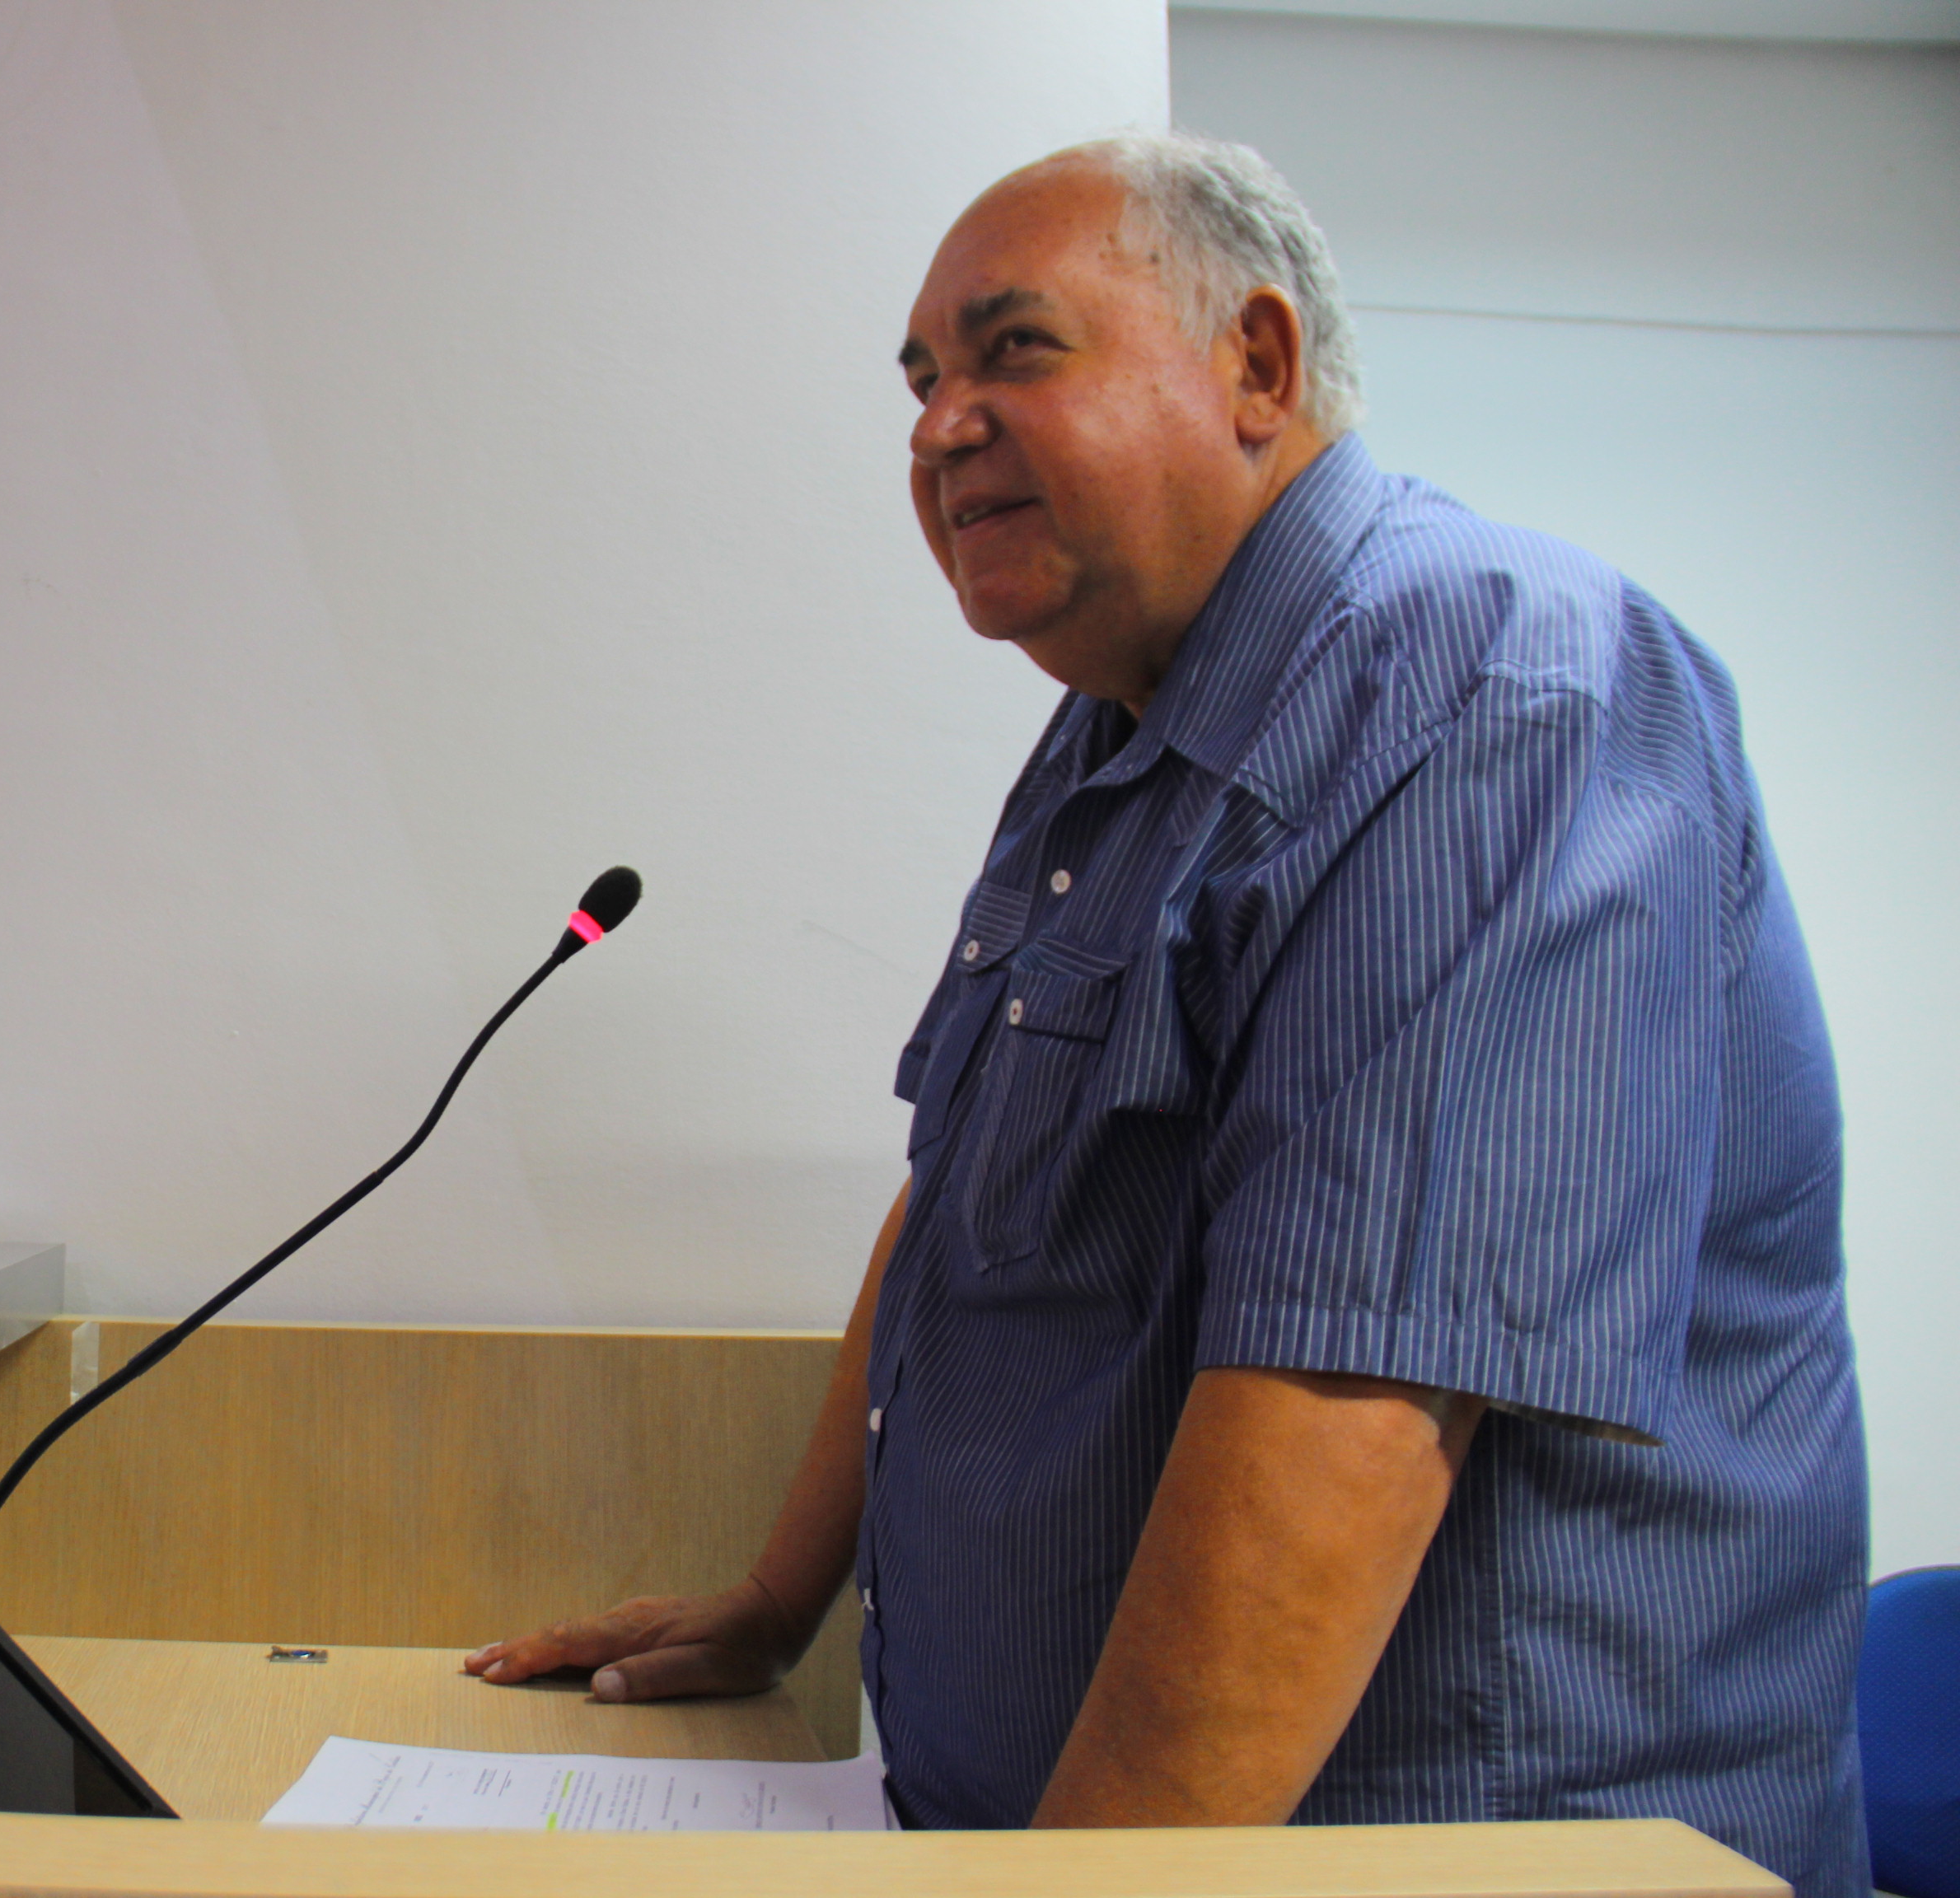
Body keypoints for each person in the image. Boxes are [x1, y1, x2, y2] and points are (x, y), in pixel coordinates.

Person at [465, 129, 1868, 1896]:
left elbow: (1351, 1393)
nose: (936, 423)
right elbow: (962, 1213)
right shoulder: (1113, 734)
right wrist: (775, 1600)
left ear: (1256, 367)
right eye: (919, 380)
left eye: (1013, 349)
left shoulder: (1491, 684)